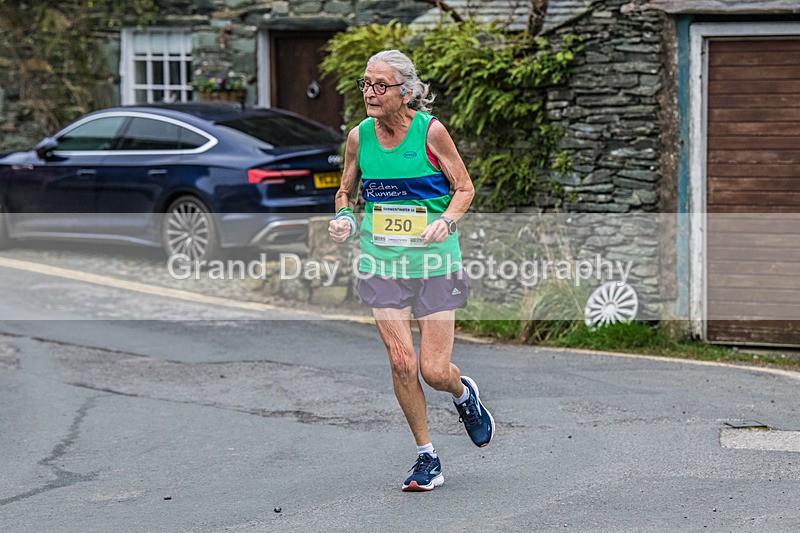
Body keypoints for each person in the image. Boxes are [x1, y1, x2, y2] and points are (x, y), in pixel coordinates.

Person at [329, 49, 494, 492]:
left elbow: (464, 188)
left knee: (434, 371)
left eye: (380, 85)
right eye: (366, 83)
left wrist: (447, 221)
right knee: (402, 362)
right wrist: (344, 219)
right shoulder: (358, 138)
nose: (370, 92)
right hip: (381, 263)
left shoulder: (430, 133)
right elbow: (346, 192)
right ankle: (427, 457)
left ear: (406, 92)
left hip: (434, 263)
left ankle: (463, 393)